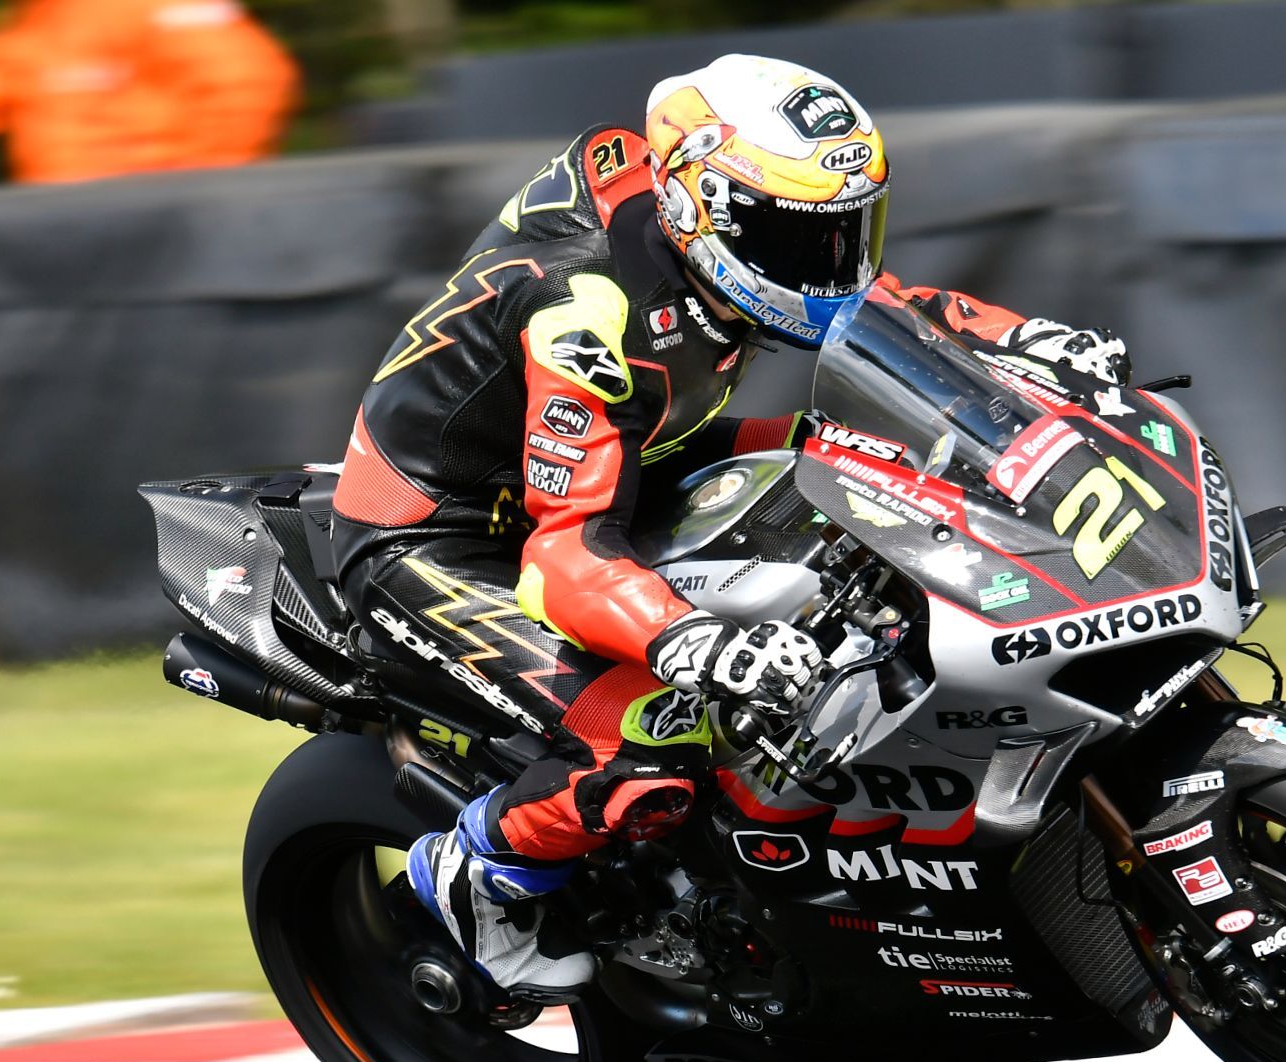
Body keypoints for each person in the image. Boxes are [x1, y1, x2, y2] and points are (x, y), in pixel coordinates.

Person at [331, 54, 1131, 1003]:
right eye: (799, 239)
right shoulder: (584, 316)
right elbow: (566, 554)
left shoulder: (696, 211)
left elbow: (879, 307)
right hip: (448, 532)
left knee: (877, 469)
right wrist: (691, 640)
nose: (827, 263)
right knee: (650, 742)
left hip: (636, 452)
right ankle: (476, 874)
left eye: (842, 232)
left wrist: (1021, 342)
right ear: (699, 206)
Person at [0, 0, 298, 185]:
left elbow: (244, 82)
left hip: (166, 225)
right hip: (70, 234)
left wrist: (201, 196)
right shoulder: (33, 30)